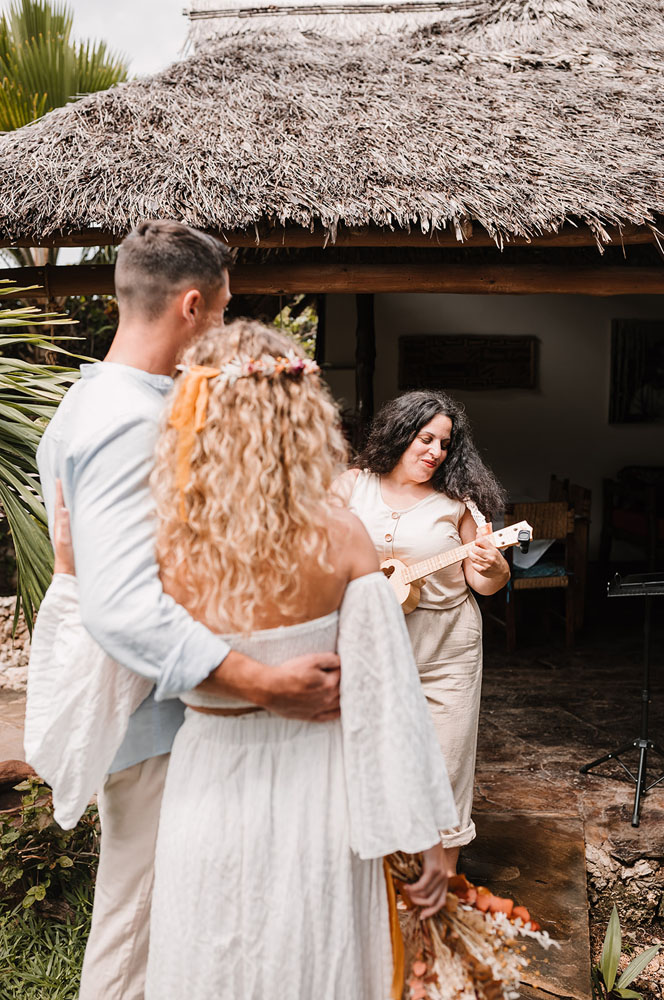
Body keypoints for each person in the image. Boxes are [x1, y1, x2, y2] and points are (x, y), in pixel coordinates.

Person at [49, 319, 458, 1000]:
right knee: (315, 961)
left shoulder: (160, 544)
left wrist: (71, 576)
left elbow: (85, 682)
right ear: (304, 418)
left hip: (207, 787)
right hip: (318, 796)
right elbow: (390, 706)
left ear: (194, 414)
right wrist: (430, 836)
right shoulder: (344, 538)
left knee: (212, 960)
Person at [33, 221, 342, 1000]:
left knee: (172, 919)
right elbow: (124, 605)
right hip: (153, 716)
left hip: (158, 711)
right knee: (138, 926)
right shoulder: (128, 422)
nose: (225, 331)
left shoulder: (95, 400)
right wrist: (261, 681)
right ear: (194, 305)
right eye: (225, 311)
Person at [334, 390, 509, 877]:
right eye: (425, 438)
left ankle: (442, 890)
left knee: (445, 766)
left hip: (446, 650)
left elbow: (485, 584)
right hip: (370, 650)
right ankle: (376, 880)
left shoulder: (460, 502)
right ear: (398, 433)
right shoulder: (351, 487)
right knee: (369, 761)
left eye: (445, 444)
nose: (435, 451)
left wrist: (493, 565)